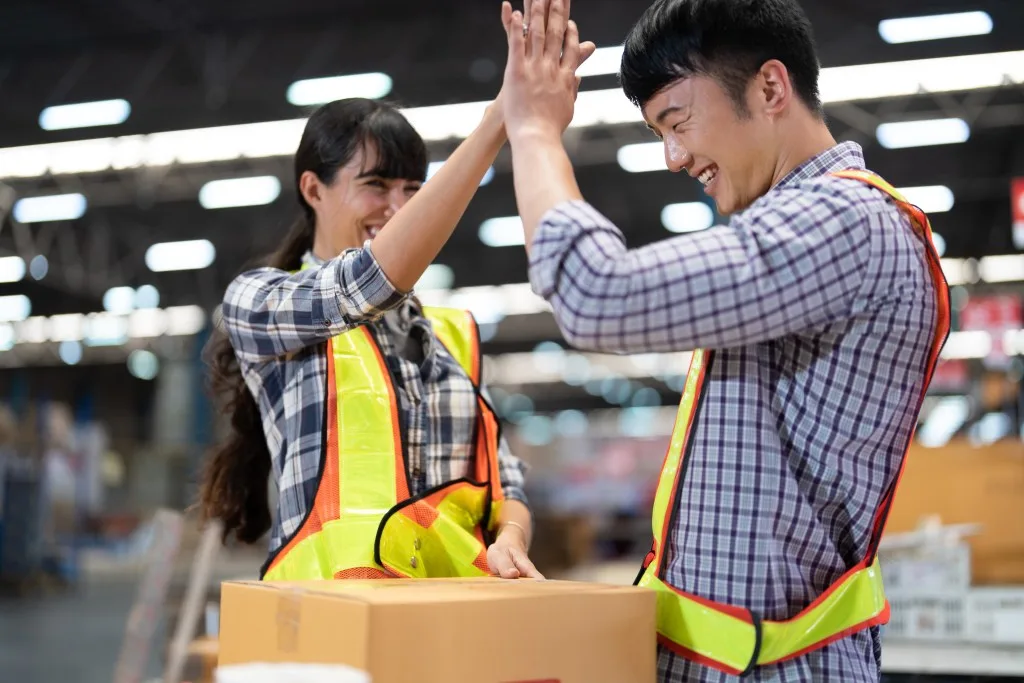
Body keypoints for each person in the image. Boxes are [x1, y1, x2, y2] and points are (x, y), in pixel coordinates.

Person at [498, 0, 949, 681]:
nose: (673, 157)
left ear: (770, 88)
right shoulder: (797, 238)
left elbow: (599, 294)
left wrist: (533, 130)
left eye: (676, 122)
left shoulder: (846, 220)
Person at [199, 12, 595, 580]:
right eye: (376, 186)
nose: (398, 208)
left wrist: (510, 536)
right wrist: (498, 123)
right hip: (326, 622)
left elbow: (503, 477)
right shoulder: (259, 301)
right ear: (313, 188)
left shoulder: (450, 334)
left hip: (444, 620)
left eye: (412, 189)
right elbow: (363, 285)